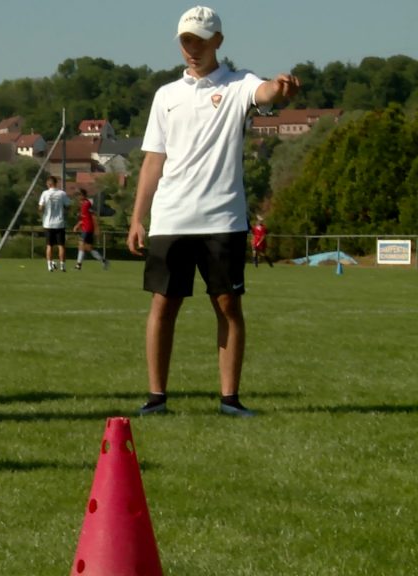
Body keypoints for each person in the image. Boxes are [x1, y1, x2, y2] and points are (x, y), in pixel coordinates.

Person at [126, 5, 299, 417]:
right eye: (186, 41)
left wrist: (279, 87)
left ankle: (230, 400)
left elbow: (265, 94)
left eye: (200, 42)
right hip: (170, 219)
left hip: (223, 218)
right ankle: (156, 398)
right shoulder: (165, 95)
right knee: (163, 305)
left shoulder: (239, 84)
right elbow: (153, 159)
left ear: (217, 42)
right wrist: (137, 217)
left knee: (227, 305)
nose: (192, 49)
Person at [38, 175, 70, 272]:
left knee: (49, 245)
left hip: (48, 224)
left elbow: (40, 208)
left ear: (49, 183)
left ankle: (49, 266)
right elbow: (68, 206)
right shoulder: (62, 194)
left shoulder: (45, 193)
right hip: (59, 223)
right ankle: (62, 266)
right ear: (56, 183)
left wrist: (42, 210)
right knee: (61, 245)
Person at [72, 188, 108, 270]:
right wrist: (78, 225)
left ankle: (78, 265)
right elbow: (84, 218)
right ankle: (103, 261)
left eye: (78, 195)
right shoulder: (82, 205)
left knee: (81, 244)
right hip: (86, 227)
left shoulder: (87, 203)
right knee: (89, 248)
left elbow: (93, 216)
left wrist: (97, 228)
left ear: (83, 195)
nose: (77, 197)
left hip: (88, 228)